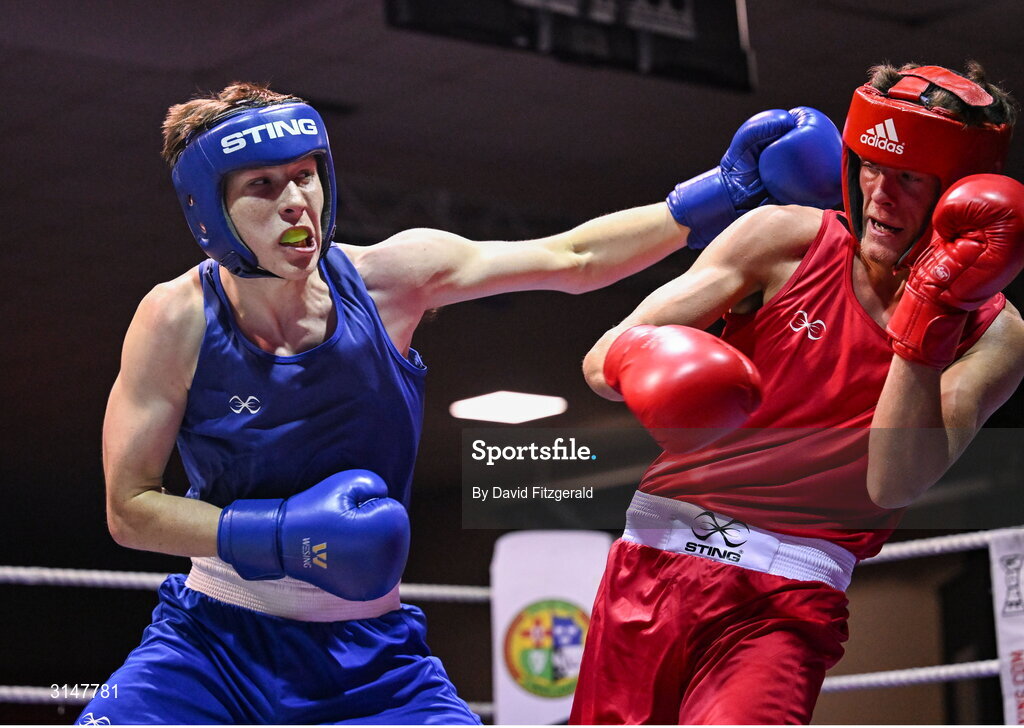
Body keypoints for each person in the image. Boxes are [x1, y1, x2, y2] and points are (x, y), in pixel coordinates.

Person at [76, 81, 842, 725]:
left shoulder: (389, 282)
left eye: (306, 174)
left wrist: (726, 191)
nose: (296, 202)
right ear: (209, 212)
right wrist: (284, 538)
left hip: (373, 660)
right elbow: (129, 507)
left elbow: (570, 257)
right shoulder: (175, 319)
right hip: (214, 645)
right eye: (263, 187)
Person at [570, 61, 1024, 725]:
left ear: (955, 192)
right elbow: (600, 360)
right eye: (869, 165)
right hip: (653, 563)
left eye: (906, 176)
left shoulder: (995, 333)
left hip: (786, 601)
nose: (879, 195)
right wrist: (657, 362)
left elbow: (893, 481)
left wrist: (930, 308)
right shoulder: (783, 238)